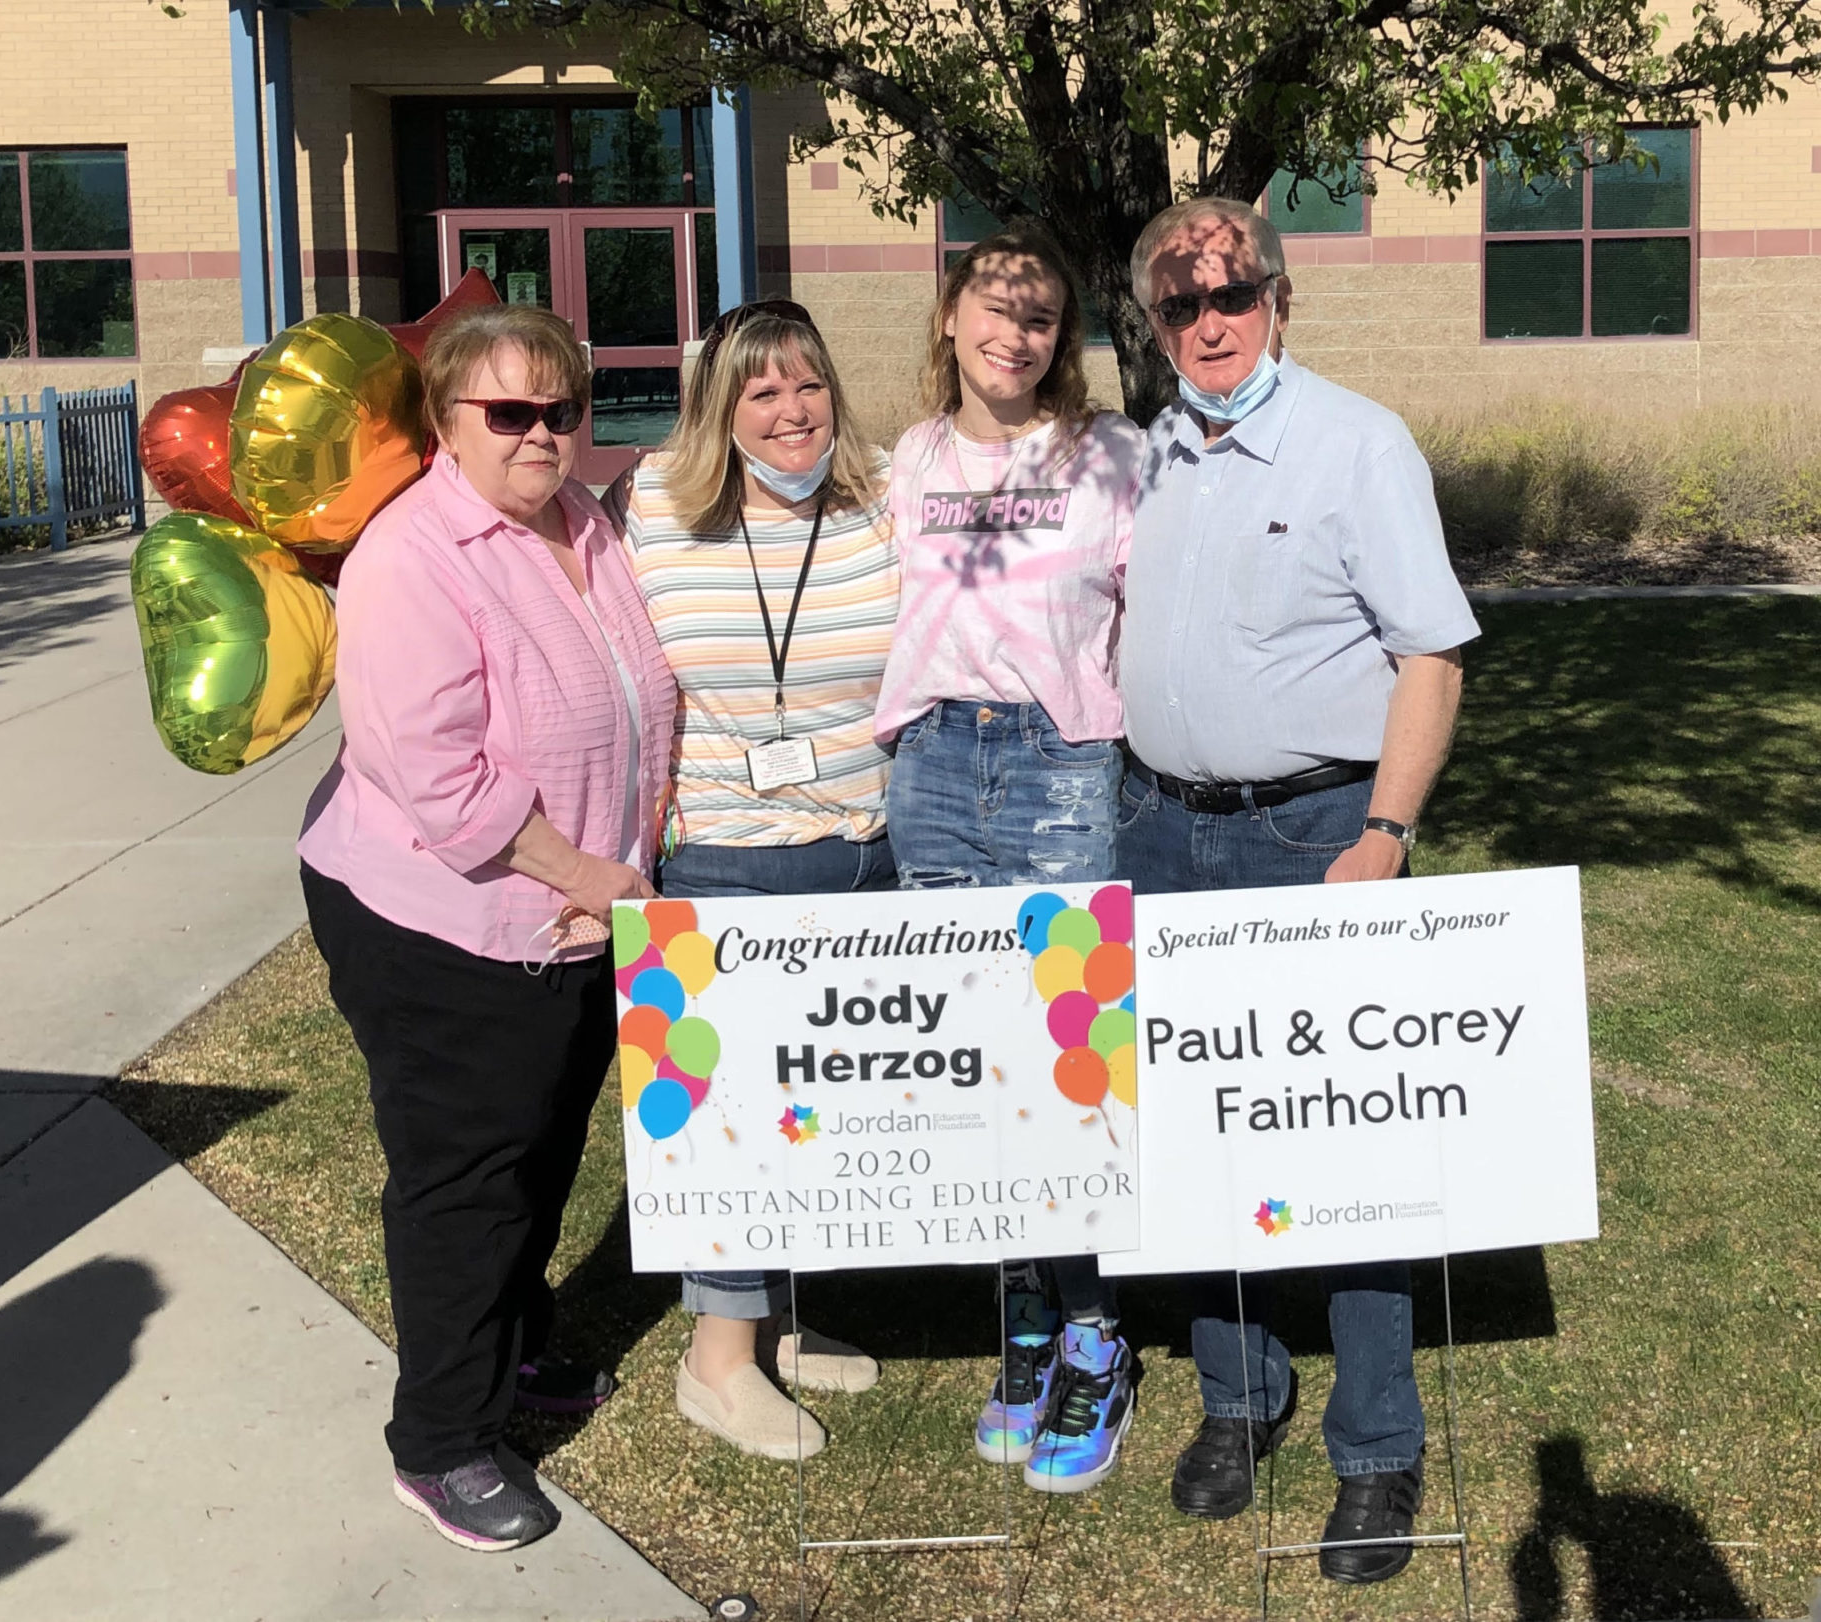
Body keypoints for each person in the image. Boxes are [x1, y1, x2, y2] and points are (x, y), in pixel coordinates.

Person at [1117, 195, 1480, 1584]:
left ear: (1282, 297)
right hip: (1155, 833)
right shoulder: (1142, 455)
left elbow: (1431, 657)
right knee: (1203, 1146)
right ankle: (1235, 1398)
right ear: (1153, 326)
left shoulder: (1356, 444)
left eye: (1234, 292)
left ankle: (1378, 1449)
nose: (1211, 321)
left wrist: (1384, 831)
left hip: (1318, 832)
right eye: (1180, 302)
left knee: (1349, 1157)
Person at [297, 305, 678, 1552]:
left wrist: (631, 850)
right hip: (447, 920)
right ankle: (444, 1439)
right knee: (465, 1176)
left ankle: (511, 1359)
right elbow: (439, 774)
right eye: (506, 413)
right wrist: (587, 868)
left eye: (561, 409)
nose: (539, 433)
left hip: (576, 908)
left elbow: (635, 699)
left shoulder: (584, 523)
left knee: (541, 1147)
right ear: (447, 423)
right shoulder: (413, 555)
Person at [874, 231, 1148, 1495]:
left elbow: (1157, 611)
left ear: (1061, 339)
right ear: (947, 319)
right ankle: (1024, 1317)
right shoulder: (909, 462)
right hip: (931, 764)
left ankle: (1095, 1331)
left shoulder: (1110, 458)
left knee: (1066, 1053)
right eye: (995, 308)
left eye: (1040, 316)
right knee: (977, 1060)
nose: (1016, 333)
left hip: (1059, 769)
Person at [623, 298, 899, 1459]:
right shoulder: (646, 505)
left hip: (863, 849)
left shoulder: (883, 500)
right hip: (718, 854)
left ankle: (775, 1316)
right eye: (759, 390)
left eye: (807, 385)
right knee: (728, 1108)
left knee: (815, 1105)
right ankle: (714, 1358)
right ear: (716, 407)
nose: (791, 412)